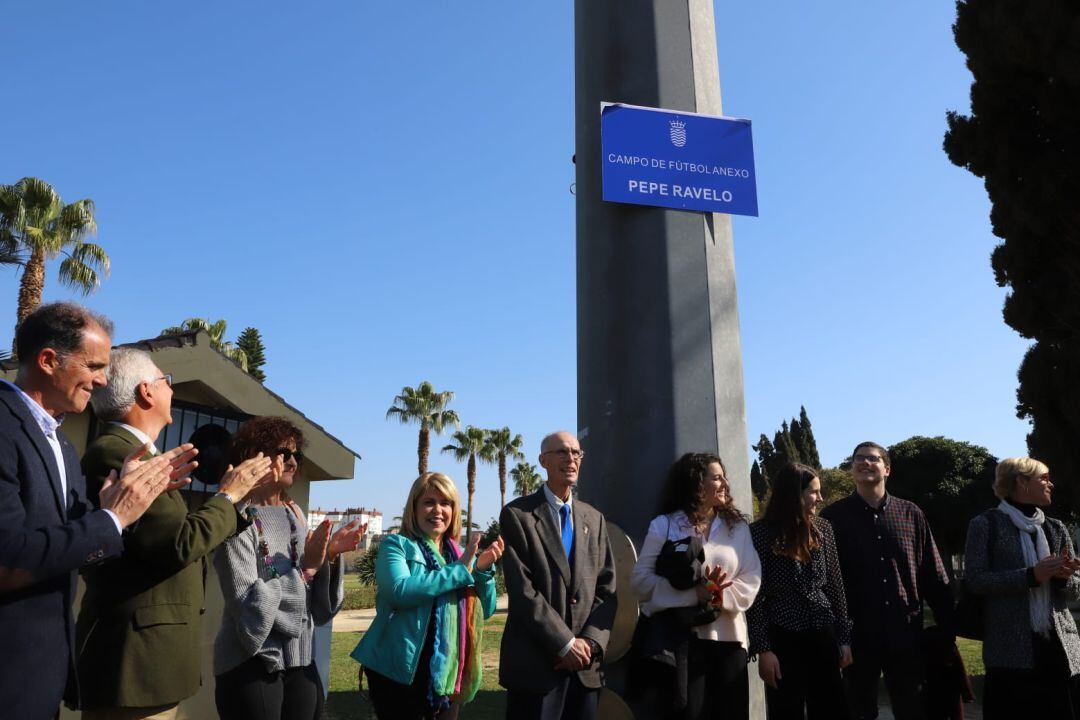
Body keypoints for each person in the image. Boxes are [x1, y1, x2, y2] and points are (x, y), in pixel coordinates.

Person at [0, 302, 197, 719]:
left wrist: (120, 508)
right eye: (94, 365)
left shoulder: (63, 445)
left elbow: (77, 540)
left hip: (42, 677)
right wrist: (113, 518)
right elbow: (8, 559)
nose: (103, 380)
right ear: (49, 360)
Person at [76, 347, 274, 720]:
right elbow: (180, 543)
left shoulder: (140, 456)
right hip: (134, 662)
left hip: (149, 661)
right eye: (167, 380)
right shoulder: (115, 455)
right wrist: (228, 495)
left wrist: (239, 500)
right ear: (146, 392)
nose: (172, 388)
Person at [213, 416, 362, 720]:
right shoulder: (235, 518)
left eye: (297, 455)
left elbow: (318, 610)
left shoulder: (294, 513)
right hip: (250, 664)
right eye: (283, 453)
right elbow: (248, 613)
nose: (293, 461)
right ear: (253, 456)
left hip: (299, 659)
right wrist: (306, 571)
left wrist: (329, 557)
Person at [351, 472, 504, 719]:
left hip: (449, 672)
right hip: (400, 671)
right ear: (414, 508)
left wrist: (482, 572)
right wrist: (460, 571)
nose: (438, 510)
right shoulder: (396, 545)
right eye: (429, 502)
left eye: (445, 503)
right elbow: (400, 591)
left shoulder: (460, 554)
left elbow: (484, 610)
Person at [821, 441, 953, 720]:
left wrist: (947, 625)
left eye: (873, 458)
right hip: (856, 634)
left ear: (887, 469)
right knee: (857, 709)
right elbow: (823, 580)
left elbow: (932, 571)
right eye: (859, 458)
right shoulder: (832, 518)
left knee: (912, 708)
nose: (865, 463)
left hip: (905, 631)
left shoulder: (911, 514)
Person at [630, 451, 761, 720]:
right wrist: (693, 594)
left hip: (730, 642)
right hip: (681, 645)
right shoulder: (664, 526)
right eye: (717, 477)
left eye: (725, 477)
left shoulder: (737, 528)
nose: (725, 483)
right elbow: (640, 582)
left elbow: (751, 579)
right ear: (695, 483)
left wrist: (716, 594)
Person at [498, 431, 618, 720]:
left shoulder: (594, 518)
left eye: (577, 453)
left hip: (585, 671)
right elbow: (522, 590)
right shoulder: (518, 515)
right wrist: (564, 643)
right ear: (543, 461)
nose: (571, 459)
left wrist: (588, 643)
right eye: (562, 452)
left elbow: (607, 589)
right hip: (537, 668)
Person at [964, 456, 1080, 719]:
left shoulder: (1056, 528)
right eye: (1044, 478)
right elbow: (976, 580)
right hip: (1010, 651)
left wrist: (1063, 577)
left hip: (1058, 648)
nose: (1051, 483)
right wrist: (1030, 576)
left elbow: (1075, 589)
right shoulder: (986, 524)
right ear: (1021, 482)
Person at [747, 462, 851, 720]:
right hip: (782, 637)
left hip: (822, 632)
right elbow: (755, 597)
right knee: (786, 710)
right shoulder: (759, 534)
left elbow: (835, 585)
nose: (820, 498)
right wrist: (763, 649)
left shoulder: (823, 529)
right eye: (814, 492)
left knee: (831, 709)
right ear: (795, 494)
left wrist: (844, 637)